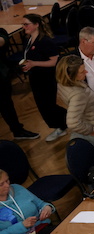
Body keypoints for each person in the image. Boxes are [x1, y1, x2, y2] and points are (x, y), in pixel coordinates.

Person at [20, 13, 66, 142]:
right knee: (42, 105)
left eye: (26, 24)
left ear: (36, 25)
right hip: (35, 77)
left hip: (46, 78)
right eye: (23, 24)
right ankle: (64, 122)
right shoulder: (28, 39)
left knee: (48, 105)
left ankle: (64, 123)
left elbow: (54, 61)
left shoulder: (45, 41)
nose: (24, 27)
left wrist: (34, 63)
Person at [0, 169, 54, 234]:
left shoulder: (17, 188)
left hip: (39, 229)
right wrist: (22, 226)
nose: (7, 185)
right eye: (1, 184)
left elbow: (41, 204)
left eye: (7, 180)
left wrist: (48, 208)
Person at [56, 54, 94, 147]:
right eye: (81, 71)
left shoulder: (63, 83)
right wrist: (92, 130)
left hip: (90, 118)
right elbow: (72, 123)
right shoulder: (78, 94)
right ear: (70, 75)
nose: (86, 72)